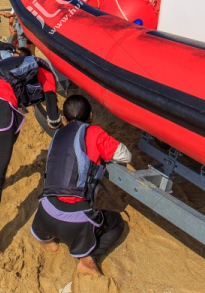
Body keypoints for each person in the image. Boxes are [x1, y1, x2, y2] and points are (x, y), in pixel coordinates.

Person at [0, 54, 63, 261]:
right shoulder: (46, 72)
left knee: (6, 143)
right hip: (0, 105)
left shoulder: (16, 62)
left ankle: (2, 179)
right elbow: (54, 118)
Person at [30, 94, 131, 276]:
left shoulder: (58, 135)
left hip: (44, 212)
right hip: (74, 220)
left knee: (53, 210)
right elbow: (126, 156)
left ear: (65, 119)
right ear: (91, 116)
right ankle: (87, 260)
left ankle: (47, 241)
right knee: (117, 223)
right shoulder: (94, 132)